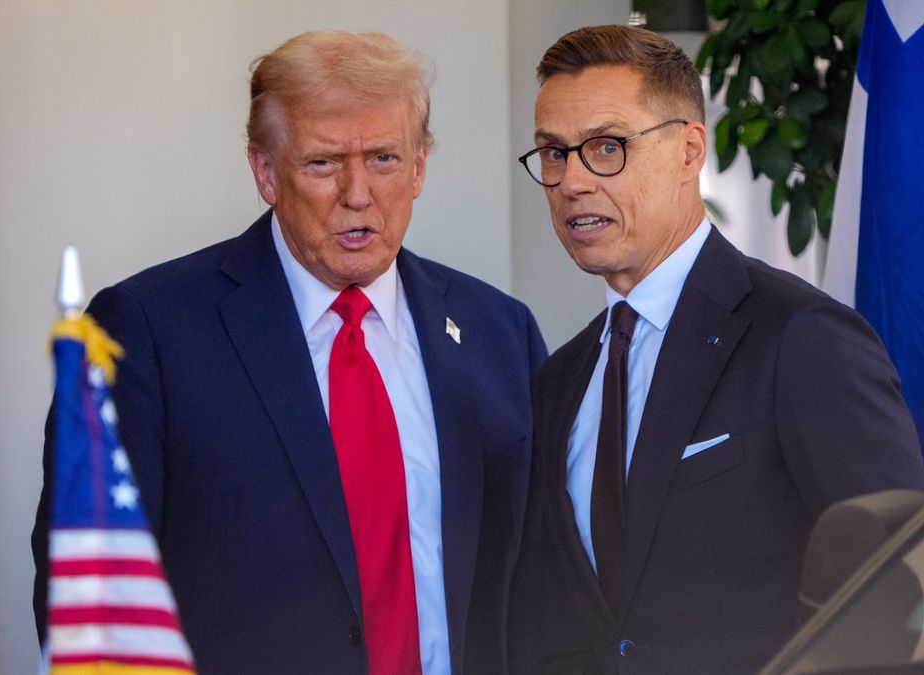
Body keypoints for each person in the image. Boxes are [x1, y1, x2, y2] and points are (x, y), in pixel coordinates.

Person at [32, 31, 547, 674]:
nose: (357, 193)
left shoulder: (499, 332)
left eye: (384, 158)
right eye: (324, 163)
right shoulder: (146, 331)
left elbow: (539, 581)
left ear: (419, 168)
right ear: (266, 172)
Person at [508, 25, 924, 674]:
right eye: (554, 153)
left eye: (607, 147)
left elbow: (900, 581)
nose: (572, 181)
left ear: (689, 151)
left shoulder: (802, 336)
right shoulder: (561, 377)